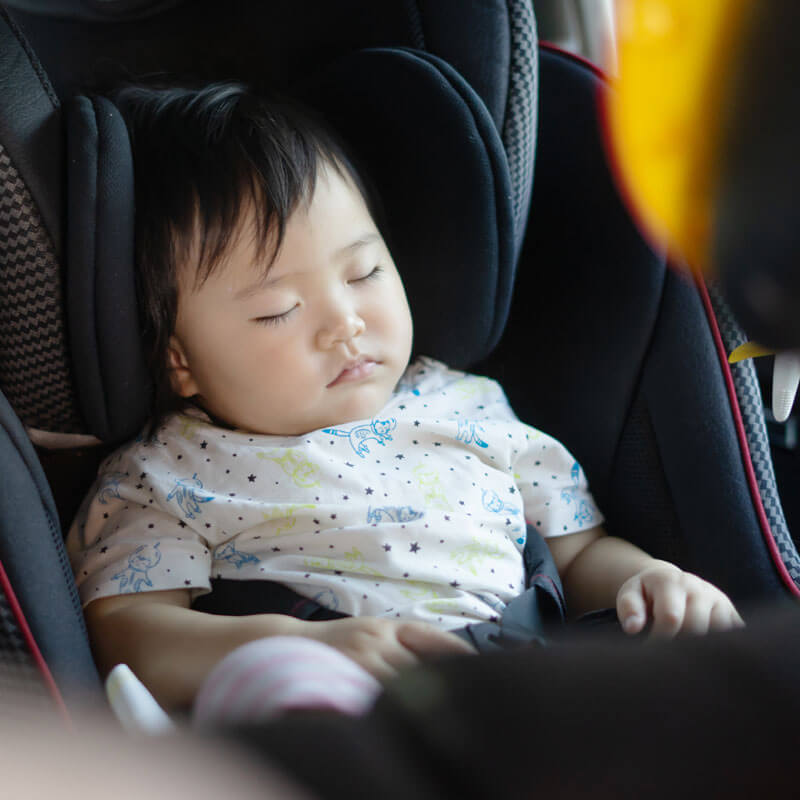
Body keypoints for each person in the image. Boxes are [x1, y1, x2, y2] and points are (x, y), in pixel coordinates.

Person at [66, 82, 743, 719]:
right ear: (179, 360)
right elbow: (128, 632)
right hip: (332, 707)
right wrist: (294, 646)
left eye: (364, 272)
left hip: (531, 686)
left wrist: (650, 582)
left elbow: (578, 554)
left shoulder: (468, 406)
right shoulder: (165, 474)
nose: (346, 323)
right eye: (279, 310)